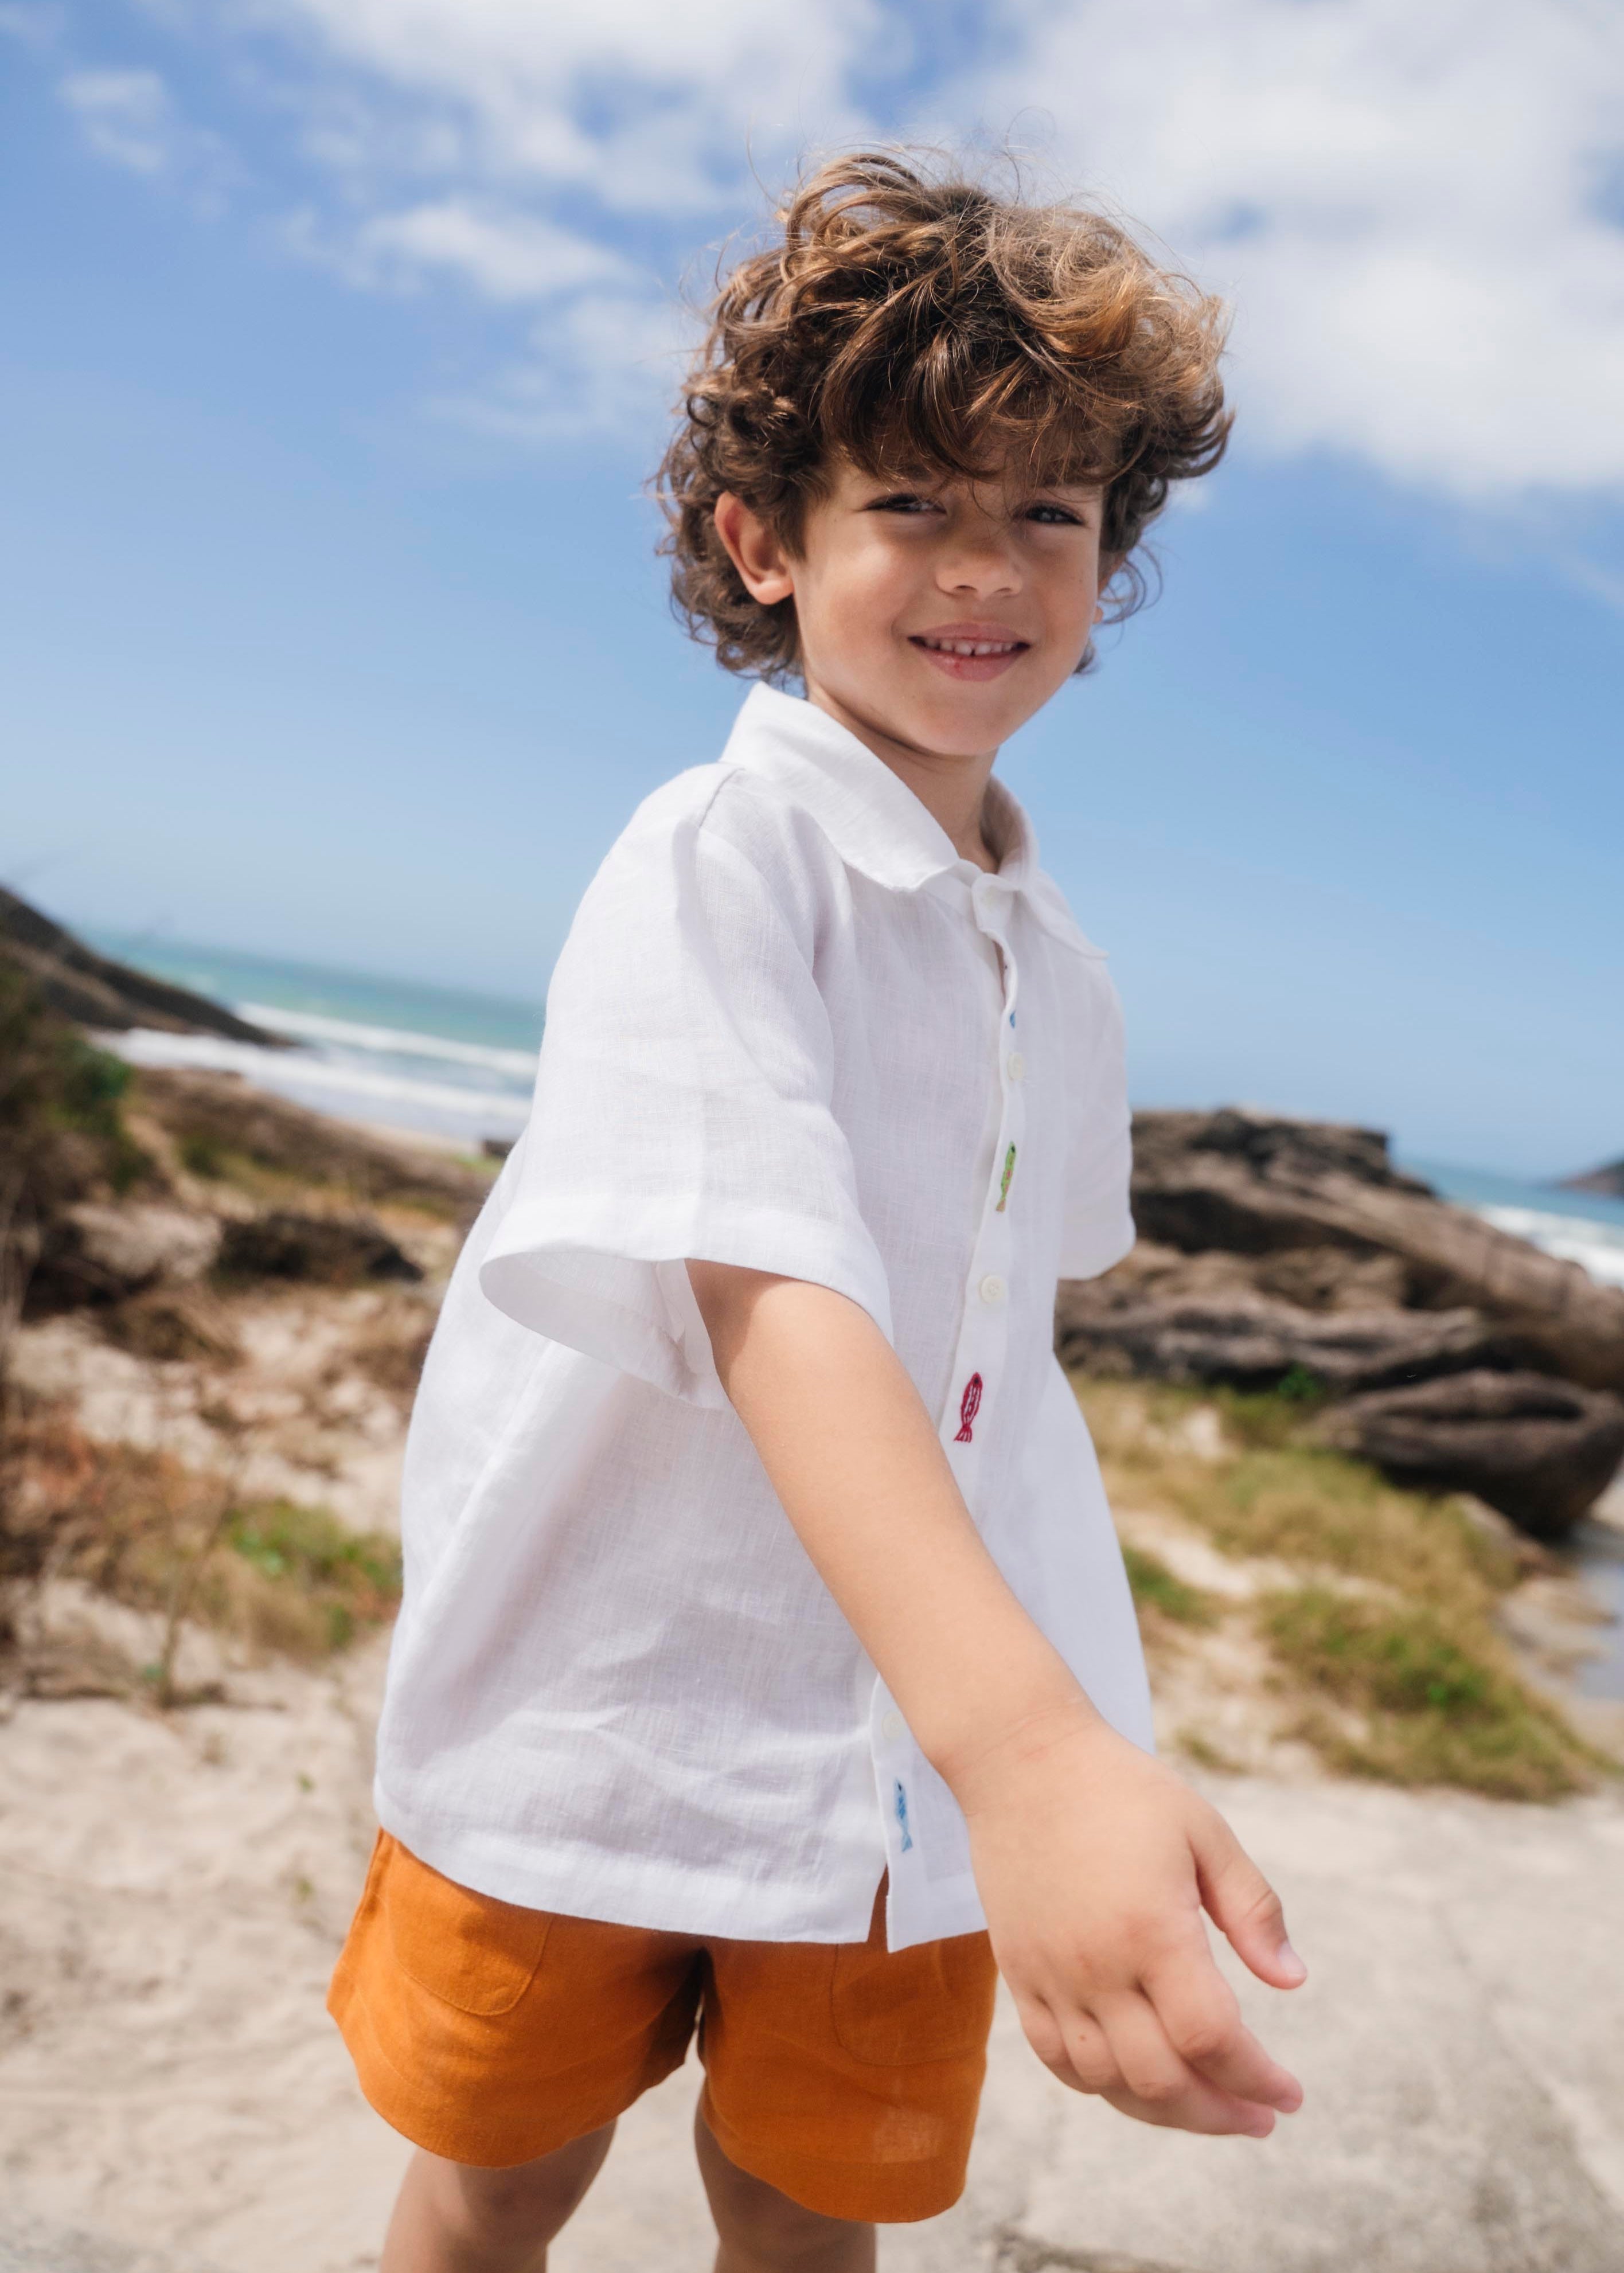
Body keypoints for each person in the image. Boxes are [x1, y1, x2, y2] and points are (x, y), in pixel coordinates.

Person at [329, 149, 1308, 2273]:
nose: (986, 566)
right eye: (915, 501)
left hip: (890, 1790)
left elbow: (1001, 1363)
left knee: (808, 2208)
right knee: (499, 2177)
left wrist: (1037, 1744)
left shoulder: (1062, 966)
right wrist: (1032, 1749)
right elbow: (775, 1291)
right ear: (764, 542)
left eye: (1051, 512)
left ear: (1112, 558)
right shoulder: (718, 860)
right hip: (602, 1699)